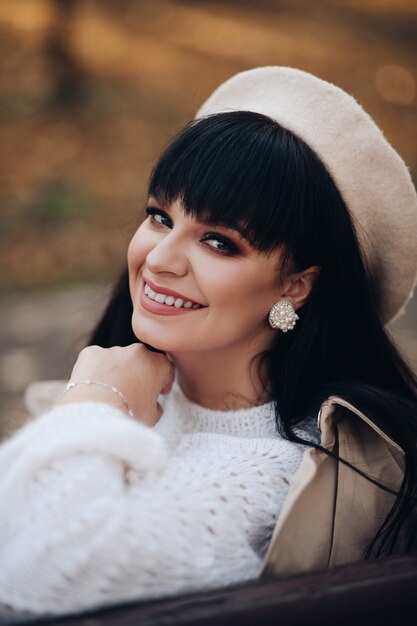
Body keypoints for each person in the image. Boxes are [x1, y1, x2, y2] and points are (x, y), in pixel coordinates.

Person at [1, 66, 417, 617]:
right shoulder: (139, 396)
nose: (161, 259)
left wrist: (98, 395)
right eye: (159, 216)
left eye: (219, 242)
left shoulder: (272, 475)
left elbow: (37, 565)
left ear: (296, 286)